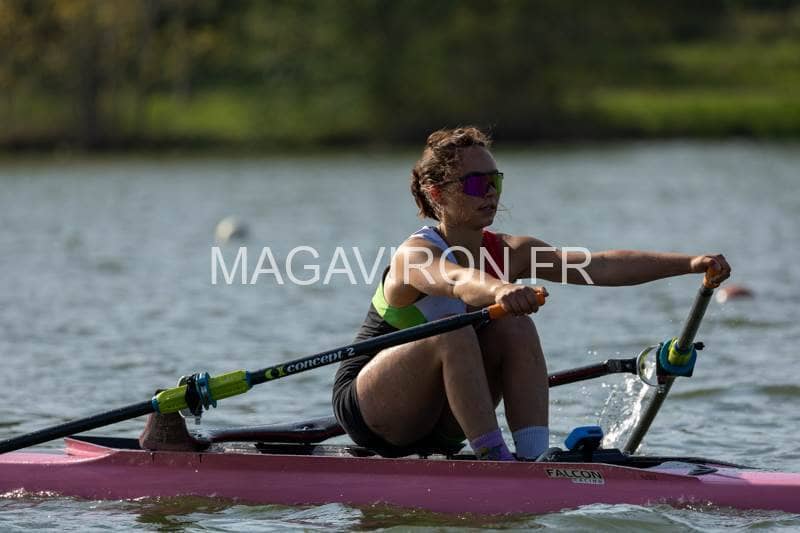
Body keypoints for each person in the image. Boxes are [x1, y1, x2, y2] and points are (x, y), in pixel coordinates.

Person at [331, 126, 730, 461]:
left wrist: (690, 263)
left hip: (446, 417)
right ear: (436, 194)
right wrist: (502, 289)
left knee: (514, 326)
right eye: (476, 183)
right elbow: (456, 281)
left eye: (495, 181)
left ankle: (533, 460)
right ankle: (495, 459)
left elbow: (600, 266)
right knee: (452, 328)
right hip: (376, 411)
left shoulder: (511, 251)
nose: (490, 192)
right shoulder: (415, 255)